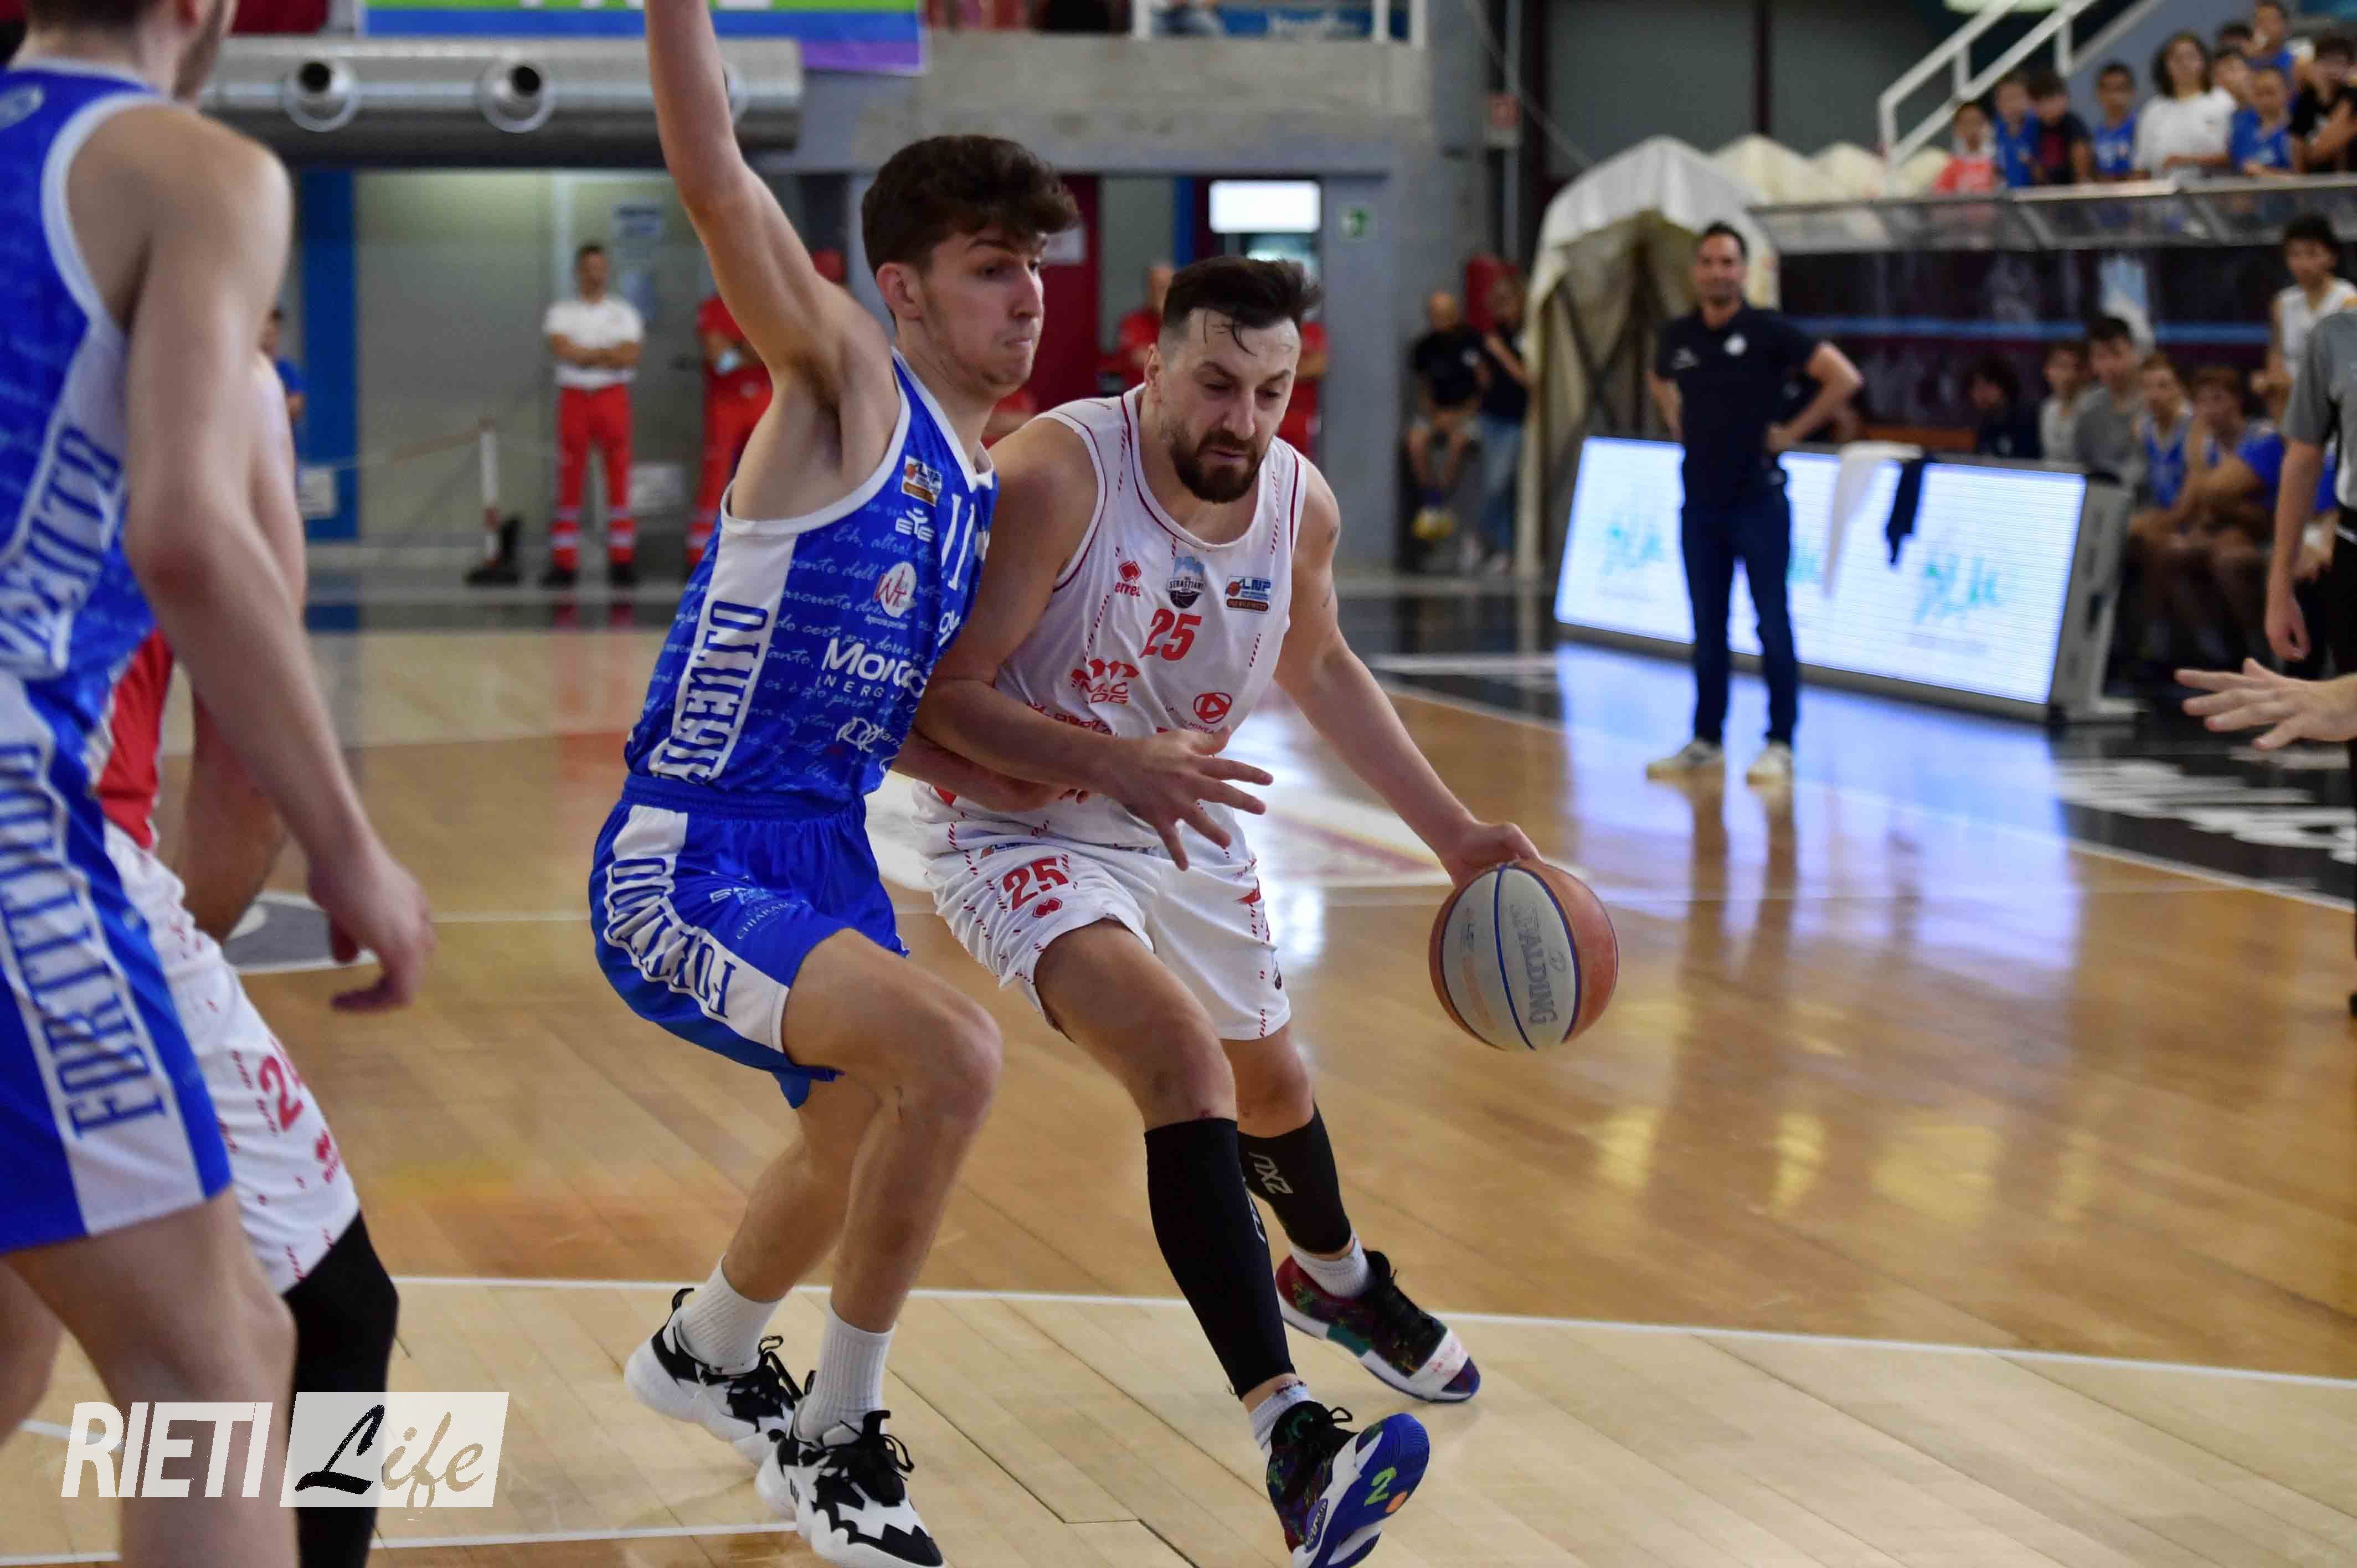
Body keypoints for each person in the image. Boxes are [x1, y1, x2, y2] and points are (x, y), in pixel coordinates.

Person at [913, 256, 1520, 1568]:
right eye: (1216, 384)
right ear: (1154, 365)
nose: (1243, 419)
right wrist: (1112, 763)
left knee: (1273, 1079)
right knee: (1182, 1065)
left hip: (1177, 807)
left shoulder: (1300, 503)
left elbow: (1322, 662)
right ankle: (1293, 1438)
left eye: (1272, 391)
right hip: (1020, 822)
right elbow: (944, 697)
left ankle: (1338, 1281)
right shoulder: (1056, 474)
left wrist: (1457, 836)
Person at [603, 6, 1082, 1563]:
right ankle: (838, 1430)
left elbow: (898, 709)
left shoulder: (971, 484)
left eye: (1036, 265)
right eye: (991, 266)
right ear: (903, 289)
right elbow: (712, 173)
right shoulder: (847, 384)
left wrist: (1065, 777)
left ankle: (706, 1351)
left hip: (823, 847)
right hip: (690, 852)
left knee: (860, 1130)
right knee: (954, 1057)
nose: (1028, 295)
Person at [0, 4, 434, 1565]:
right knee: (237, 1353)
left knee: (18, 1347)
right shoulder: (195, 176)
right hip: (34, 841)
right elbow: (185, 536)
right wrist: (350, 842)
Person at [82, 354, 398, 1568]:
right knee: (325, 1315)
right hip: (62, 877)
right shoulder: (219, 387)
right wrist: (344, 853)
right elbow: (242, 783)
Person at [1644, 223, 1861, 786]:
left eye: (1727, 262)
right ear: (1695, 271)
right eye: (1708, 261)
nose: (1717, 272)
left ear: (1743, 271)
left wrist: (1791, 432)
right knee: (1707, 626)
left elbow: (1842, 378)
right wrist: (1675, 418)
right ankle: (1706, 739)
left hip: (1758, 502)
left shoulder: (1768, 331)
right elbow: (1658, 377)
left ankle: (1780, 742)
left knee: (1771, 622)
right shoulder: (1678, 336)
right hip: (1700, 504)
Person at [543, 241, 644, 590]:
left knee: (619, 478)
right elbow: (563, 350)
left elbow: (630, 356)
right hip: (575, 399)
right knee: (569, 479)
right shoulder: (562, 312)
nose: (595, 275)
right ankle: (564, 564)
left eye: (600, 268)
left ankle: (622, 561)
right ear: (577, 272)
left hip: (612, 397)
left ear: (607, 271)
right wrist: (606, 354)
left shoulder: (623, 312)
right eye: (588, 269)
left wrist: (586, 355)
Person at [689, 287, 774, 571]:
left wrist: (736, 346)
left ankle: (760, 556)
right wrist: (749, 348)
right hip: (725, 403)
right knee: (715, 477)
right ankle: (700, 556)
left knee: (765, 480)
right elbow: (720, 361)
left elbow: (776, 356)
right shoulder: (713, 308)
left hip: (764, 401)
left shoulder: (767, 304)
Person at [1404, 290, 1484, 541]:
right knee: (1416, 440)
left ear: (1456, 314)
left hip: (1467, 413)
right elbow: (1423, 387)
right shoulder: (1424, 347)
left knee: (1458, 442)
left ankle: (1443, 497)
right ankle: (1432, 500)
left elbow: (1483, 386)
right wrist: (1434, 414)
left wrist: (1459, 416)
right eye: (1436, 315)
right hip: (1436, 412)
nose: (1441, 320)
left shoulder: (1472, 342)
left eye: (1446, 314)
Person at [2262, 214, 2356, 405]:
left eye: (2312, 254)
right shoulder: (2282, 303)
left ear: (2332, 258)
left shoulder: (2348, 301)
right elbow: (2276, 358)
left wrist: (2285, 384)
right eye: (2295, 255)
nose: (2303, 263)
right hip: (2291, 403)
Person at [1473, 274, 1530, 573]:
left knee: (1499, 483)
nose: (1502, 310)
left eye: (1506, 302)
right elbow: (1484, 379)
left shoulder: (1527, 337)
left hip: (1514, 418)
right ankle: (1503, 549)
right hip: (1490, 415)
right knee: (1494, 485)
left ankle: (1479, 537)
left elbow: (1526, 378)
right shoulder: (1492, 336)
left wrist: (1501, 353)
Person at [2135, 30, 2235, 179]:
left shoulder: (2223, 101)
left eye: (2191, 57)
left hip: (2214, 189)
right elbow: (2142, 166)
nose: (2184, 64)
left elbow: (2235, 156)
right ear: (2165, 66)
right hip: (2164, 190)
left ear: (2204, 62)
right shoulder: (2153, 109)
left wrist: (2185, 161)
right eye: (2177, 59)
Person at [2071, 316, 2146, 493]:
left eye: (2116, 354)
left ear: (2134, 352)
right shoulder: (2087, 408)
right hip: (2100, 499)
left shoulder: (2155, 402)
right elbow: (2080, 466)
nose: (2110, 365)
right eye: (2100, 356)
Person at [2293, 34, 2357, 173]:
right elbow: (2298, 148)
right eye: (2326, 62)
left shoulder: (2353, 97)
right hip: (2313, 181)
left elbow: (2318, 152)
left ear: (2351, 67)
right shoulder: (2306, 99)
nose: (2332, 70)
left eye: (2339, 63)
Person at [1111, 261, 1174, 391]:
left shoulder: (1183, 322)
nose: (1159, 293)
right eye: (1155, 287)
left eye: (1164, 287)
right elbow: (1141, 359)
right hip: (1139, 397)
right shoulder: (1131, 322)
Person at [2025, 69, 2094, 185]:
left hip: (2073, 187)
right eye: (2041, 102)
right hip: (2046, 188)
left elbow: (2081, 153)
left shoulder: (2073, 124)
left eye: (2051, 99)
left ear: (2065, 98)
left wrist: (2082, 181)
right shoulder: (2033, 127)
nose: (2047, 107)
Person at [1276, 307, 1327, 458]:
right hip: (1276, 412)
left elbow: (1318, 366)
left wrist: (1283, 372)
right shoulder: (1277, 329)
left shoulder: (1313, 331)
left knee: (1300, 462)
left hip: (1303, 415)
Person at [2230, 62, 2297, 174]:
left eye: (2270, 92)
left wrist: (2264, 173)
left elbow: (2302, 178)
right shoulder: (2241, 127)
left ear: (2287, 93)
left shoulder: (2297, 132)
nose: (2265, 100)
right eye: (2259, 93)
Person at [1967, 355, 2040, 457]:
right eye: (1975, 388)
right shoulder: (1987, 422)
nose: (1980, 394)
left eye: (1986, 386)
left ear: (2003, 384)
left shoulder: (2027, 418)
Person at [1933, 100, 2001, 194]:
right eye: (1967, 123)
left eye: (1977, 122)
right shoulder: (1951, 165)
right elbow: (1940, 193)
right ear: (1958, 128)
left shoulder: (1996, 161)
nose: (1972, 128)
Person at [2041, 339, 2091, 459]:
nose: (2062, 375)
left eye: (2066, 367)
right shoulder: (2048, 408)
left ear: (2082, 372)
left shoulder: (2092, 407)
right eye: (2057, 366)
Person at [2091, 62, 2142, 180]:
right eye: (2108, 89)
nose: (2114, 96)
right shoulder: (2095, 135)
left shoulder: (2141, 128)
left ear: (2132, 92)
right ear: (2099, 94)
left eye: (2120, 89)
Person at [1991, 73, 2040, 188]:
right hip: (2006, 195)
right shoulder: (1994, 131)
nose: (2013, 105)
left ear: (2030, 100)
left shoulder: (2038, 126)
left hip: (2036, 194)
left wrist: (2031, 163)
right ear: (1998, 104)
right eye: (2007, 99)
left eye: (2018, 97)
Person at [261, 305, 305, 429]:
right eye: (264, 334)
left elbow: (296, 404)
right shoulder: (245, 371)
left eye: (272, 334)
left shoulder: (286, 370)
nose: (267, 340)